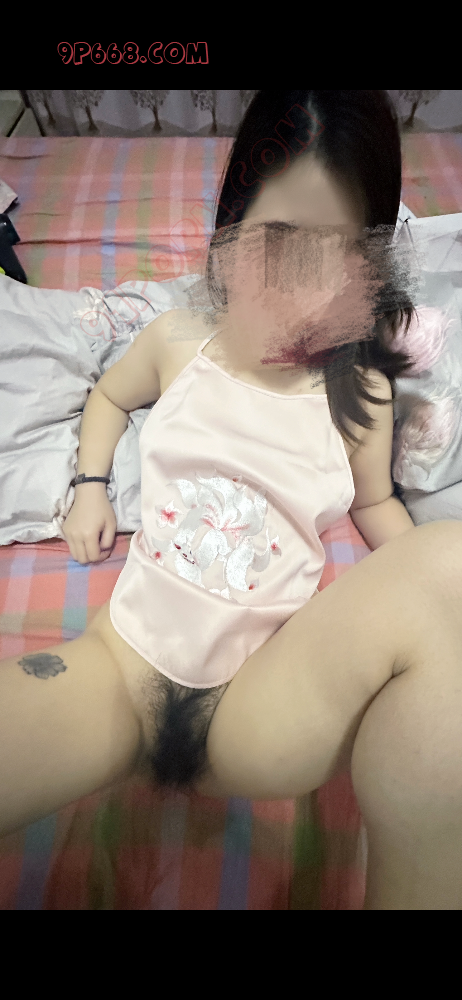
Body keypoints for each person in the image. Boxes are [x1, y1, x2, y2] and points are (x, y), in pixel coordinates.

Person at [2, 91, 462, 910]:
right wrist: (90, 487)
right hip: (122, 671)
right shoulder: (178, 339)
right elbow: (108, 397)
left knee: (451, 562)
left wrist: (428, 600)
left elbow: (375, 505)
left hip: (259, 703)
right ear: (230, 234)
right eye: (276, 244)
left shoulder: (359, 393)